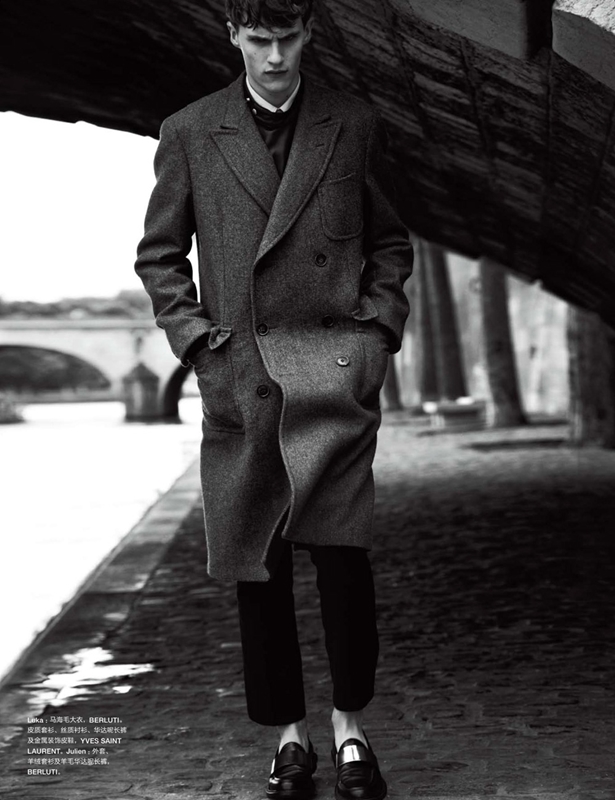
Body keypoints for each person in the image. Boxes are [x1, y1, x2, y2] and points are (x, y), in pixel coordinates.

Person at [135, 0, 413, 797]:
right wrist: (199, 345)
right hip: (243, 376)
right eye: (259, 40)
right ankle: (288, 738)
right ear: (233, 35)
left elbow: (390, 242)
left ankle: (350, 728)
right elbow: (159, 256)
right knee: (259, 564)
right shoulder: (190, 130)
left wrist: (375, 334)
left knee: (343, 560)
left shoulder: (353, 123)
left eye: (288, 38)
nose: (275, 56)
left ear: (310, 33)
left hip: (335, 373)